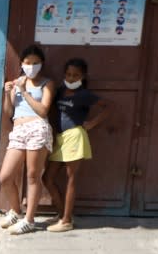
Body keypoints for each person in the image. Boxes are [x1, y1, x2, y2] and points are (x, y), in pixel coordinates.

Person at [43, 58, 110, 232]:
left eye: (76, 75)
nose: (71, 78)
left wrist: (92, 123)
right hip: (60, 138)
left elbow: (107, 107)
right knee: (47, 178)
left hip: (75, 136)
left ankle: (66, 221)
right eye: (68, 74)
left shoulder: (84, 94)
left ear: (83, 76)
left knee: (70, 178)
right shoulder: (60, 91)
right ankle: (62, 214)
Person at [0, 44, 56, 235]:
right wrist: (8, 94)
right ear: (22, 63)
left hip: (38, 128)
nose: (31, 66)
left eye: (36, 63)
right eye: (28, 62)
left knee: (32, 176)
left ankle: (29, 220)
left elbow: (43, 111)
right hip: (18, 129)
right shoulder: (17, 83)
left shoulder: (47, 83)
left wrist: (25, 92)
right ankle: (15, 210)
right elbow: (9, 113)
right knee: (5, 177)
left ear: (42, 64)